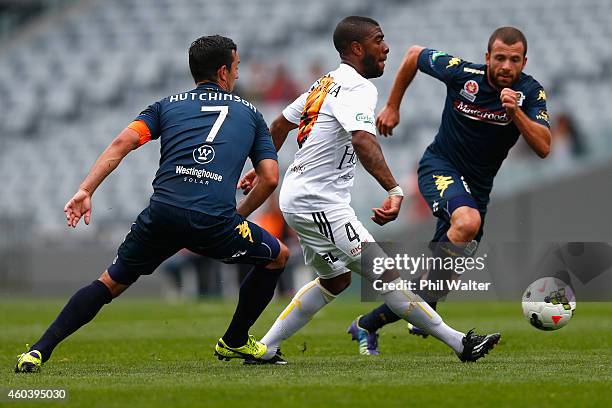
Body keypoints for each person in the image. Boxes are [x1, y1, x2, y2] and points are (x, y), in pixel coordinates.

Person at [15, 35, 290, 373]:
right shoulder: (250, 114)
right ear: (223, 72)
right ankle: (234, 340)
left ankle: (38, 352)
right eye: (236, 68)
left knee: (108, 284)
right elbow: (270, 178)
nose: (237, 74)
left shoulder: (166, 105)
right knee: (278, 256)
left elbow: (122, 143)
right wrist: (237, 217)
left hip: (162, 216)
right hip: (215, 221)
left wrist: (86, 190)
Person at [238, 16, 500, 365]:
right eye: (379, 40)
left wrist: (261, 167)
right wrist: (393, 189)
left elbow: (279, 125)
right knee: (386, 275)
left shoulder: (325, 83)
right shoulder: (357, 87)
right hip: (319, 201)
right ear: (357, 48)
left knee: (336, 280)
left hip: (300, 197)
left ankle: (266, 347)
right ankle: (460, 344)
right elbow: (362, 140)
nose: (386, 46)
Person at [348, 26, 551, 355]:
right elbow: (414, 54)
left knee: (434, 281)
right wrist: (393, 106)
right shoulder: (462, 73)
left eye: (514, 60)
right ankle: (428, 307)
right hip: (440, 167)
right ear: (487, 57)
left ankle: (366, 324)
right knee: (465, 226)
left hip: (478, 190)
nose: (506, 66)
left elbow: (544, 147)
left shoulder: (531, 93)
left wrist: (515, 113)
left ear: (524, 62)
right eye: (499, 58)